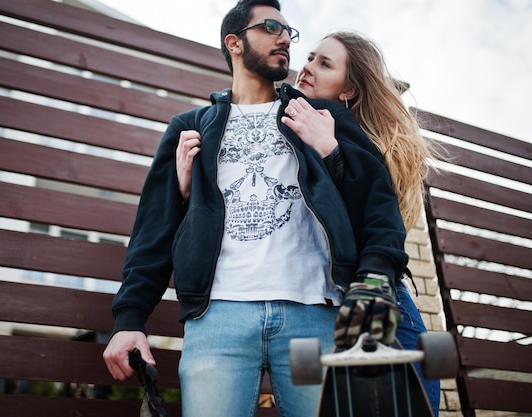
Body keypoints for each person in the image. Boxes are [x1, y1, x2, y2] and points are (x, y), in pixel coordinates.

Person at [103, 1, 406, 416]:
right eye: (270, 27)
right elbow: (153, 230)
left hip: (315, 315)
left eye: (288, 31)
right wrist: (130, 320)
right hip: (217, 319)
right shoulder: (191, 128)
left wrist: (375, 277)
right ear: (235, 43)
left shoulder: (321, 116)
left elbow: (377, 203)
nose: (285, 37)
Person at [176, 30, 442, 415]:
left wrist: (331, 151)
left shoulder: (350, 139)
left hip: (378, 299)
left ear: (349, 89)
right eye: (311, 56)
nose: (307, 68)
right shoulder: (291, 126)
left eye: (325, 63)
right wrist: (188, 191)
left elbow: (374, 220)